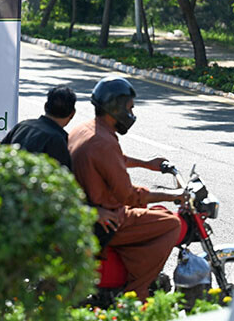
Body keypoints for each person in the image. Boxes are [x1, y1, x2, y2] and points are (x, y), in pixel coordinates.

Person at [68, 75, 183, 301]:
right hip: (111, 218)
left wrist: (147, 164)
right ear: (116, 108)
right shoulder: (104, 142)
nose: (131, 114)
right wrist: (176, 195)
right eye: (129, 108)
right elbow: (129, 195)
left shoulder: (87, 129)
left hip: (92, 209)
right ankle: (137, 291)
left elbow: (114, 159)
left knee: (159, 212)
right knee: (172, 224)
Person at [1, 84, 125, 246]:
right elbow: (66, 189)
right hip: (34, 213)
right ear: (72, 114)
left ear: (46, 106)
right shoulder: (58, 141)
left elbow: (0, 155)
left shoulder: (23, 126)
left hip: (7, 202)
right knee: (104, 229)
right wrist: (94, 211)